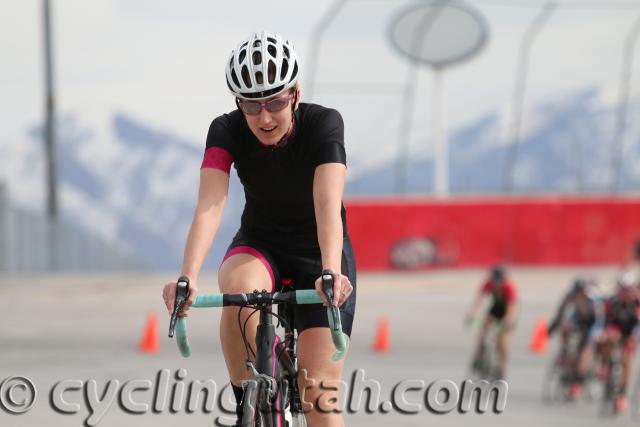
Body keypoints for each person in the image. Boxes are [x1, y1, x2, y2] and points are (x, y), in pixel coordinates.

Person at [161, 31, 356, 426]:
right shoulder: (225, 130)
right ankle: (248, 407)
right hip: (260, 242)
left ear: (295, 95)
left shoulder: (324, 124)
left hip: (318, 250)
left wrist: (331, 270)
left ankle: (296, 387)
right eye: (251, 105)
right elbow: (210, 205)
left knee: (318, 392)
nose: (265, 118)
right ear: (238, 103)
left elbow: (327, 205)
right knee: (235, 295)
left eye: (276, 102)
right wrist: (188, 276)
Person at [547, 277, 604, 398]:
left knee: (585, 351)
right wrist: (553, 326)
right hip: (579, 319)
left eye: (580, 293)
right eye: (576, 293)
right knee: (565, 328)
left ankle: (579, 381)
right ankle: (566, 352)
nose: (578, 295)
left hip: (593, 323)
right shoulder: (570, 295)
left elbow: (599, 320)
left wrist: (593, 337)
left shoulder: (593, 299)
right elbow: (561, 312)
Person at [597, 272, 640, 413]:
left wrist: (633, 339)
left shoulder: (636, 303)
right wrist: (604, 334)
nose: (624, 292)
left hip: (632, 331)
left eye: (627, 289)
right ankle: (605, 364)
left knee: (627, 360)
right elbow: (605, 321)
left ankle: (622, 394)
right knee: (606, 338)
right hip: (616, 328)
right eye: (621, 289)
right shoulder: (612, 301)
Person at [465, 265, 518, 379]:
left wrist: (509, 321)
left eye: (499, 282)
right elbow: (478, 300)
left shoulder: (509, 287)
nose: (497, 284)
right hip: (494, 309)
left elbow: (511, 307)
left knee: (502, 340)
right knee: (482, 331)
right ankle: (479, 355)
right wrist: (471, 314)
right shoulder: (488, 284)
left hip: (506, 311)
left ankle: (502, 366)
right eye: (495, 281)